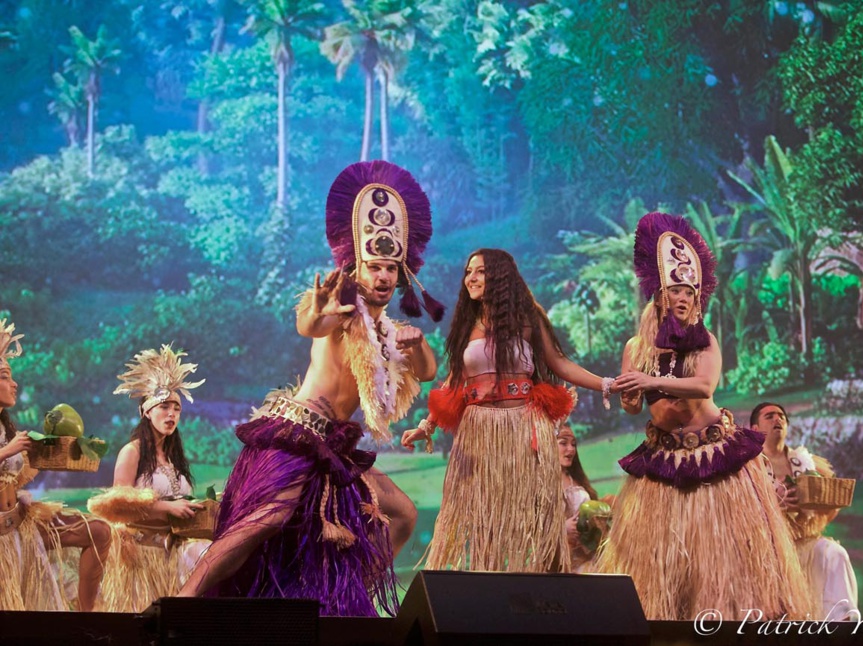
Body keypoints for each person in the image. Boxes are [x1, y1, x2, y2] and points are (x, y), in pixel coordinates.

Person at [177, 160, 440, 617]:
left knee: (403, 514)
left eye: (390, 269)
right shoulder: (342, 307)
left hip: (335, 446)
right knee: (267, 519)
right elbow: (309, 324)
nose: (382, 277)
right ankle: (180, 603)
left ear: (400, 276)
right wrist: (318, 309)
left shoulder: (388, 332)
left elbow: (430, 371)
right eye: (374, 266)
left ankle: (350, 599)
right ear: (357, 267)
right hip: (297, 433)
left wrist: (416, 344)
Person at [599, 212, 814, 620]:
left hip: (715, 456)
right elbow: (634, 404)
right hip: (664, 456)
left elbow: (703, 388)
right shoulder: (636, 347)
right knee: (663, 563)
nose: (683, 298)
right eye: (675, 290)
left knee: (727, 564)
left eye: (690, 293)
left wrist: (646, 381)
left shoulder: (705, 342)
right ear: (659, 296)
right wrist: (630, 394)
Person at [402, 248, 614, 572]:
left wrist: (604, 384)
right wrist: (426, 425)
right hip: (480, 433)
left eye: (480, 272)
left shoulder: (529, 317)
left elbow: (560, 363)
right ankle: (490, 585)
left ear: (499, 276)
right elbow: (454, 382)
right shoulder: (466, 324)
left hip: (524, 426)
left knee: (535, 518)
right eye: (468, 272)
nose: (470, 278)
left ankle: (545, 588)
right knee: (487, 520)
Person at [87, 344, 210, 612]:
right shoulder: (131, 452)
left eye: (176, 408)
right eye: (164, 406)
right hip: (142, 557)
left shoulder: (173, 456)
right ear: (146, 411)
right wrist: (168, 507)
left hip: (172, 554)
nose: (171, 414)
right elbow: (117, 508)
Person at [0, 317, 111, 612]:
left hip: (18, 525)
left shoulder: (6, 428)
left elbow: (15, 475)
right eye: (4, 376)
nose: (14, 383)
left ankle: (87, 617)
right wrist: (7, 451)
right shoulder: (7, 440)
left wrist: (56, 449)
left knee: (99, 531)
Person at [753, 402, 859, 620]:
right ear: (755, 428)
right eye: (769, 416)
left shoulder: (805, 463)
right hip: (766, 546)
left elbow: (830, 511)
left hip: (804, 541)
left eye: (781, 416)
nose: (778, 419)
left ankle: (842, 623)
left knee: (834, 553)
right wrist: (774, 505)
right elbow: (737, 513)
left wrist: (816, 503)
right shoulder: (748, 467)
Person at [557, 422, 601, 573]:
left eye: (573, 444)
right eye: (563, 443)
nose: (570, 449)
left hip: (586, 563)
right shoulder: (540, 486)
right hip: (556, 566)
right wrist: (562, 529)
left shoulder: (578, 480)